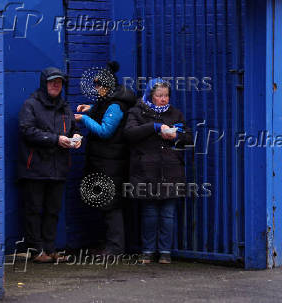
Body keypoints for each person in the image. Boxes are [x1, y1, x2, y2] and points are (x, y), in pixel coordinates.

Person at [124, 78, 193, 264]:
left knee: (168, 214)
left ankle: (165, 252)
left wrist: (175, 136)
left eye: (166, 95)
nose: (163, 99)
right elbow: (129, 133)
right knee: (150, 214)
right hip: (146, 170)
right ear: (150, 96)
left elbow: (188, 138)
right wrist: (153, 127)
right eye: (159, 96)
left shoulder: (175, 114)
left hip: (171, 170)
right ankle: (147, 251)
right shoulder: (137, 112)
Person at [18, 67, 82, 263]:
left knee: (53, 211)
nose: (56, 85)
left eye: (59, 82)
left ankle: (50, 249)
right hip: (35, 168)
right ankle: (37, 252)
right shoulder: (31, 104)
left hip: (58, 168)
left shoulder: (64, 106)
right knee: (34, 211)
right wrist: (56, 139)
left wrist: (76, 138)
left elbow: (73, 129)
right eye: (52, 81)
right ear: (44, 83)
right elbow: (27, 130)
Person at [75, 62, 136, 256]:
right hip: (105, 161)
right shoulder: (111, 101)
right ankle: (110, 245)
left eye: (98, 86)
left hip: (111, 163)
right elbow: (104, 111)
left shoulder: (117, 105)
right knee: (105, 204)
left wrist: (82, 119)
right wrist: (90, 108)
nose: (96, 90)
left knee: (111, 206)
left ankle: (116, 248)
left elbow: (105, 131)